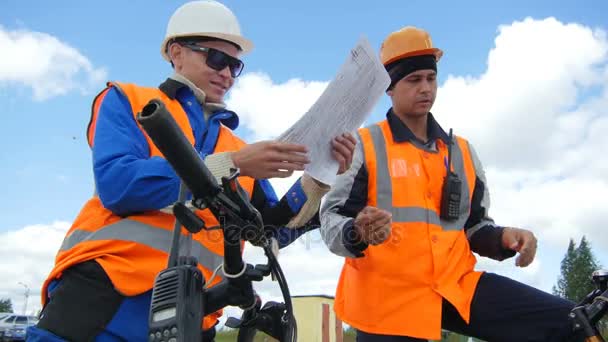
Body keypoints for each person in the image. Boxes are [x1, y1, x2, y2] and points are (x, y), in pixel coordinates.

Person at [27, 1, 356, 341]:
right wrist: (232, 164)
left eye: (235, 65)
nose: (227, 73)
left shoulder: (236, 146)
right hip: (103, 301)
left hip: (192, 315)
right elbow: (118, 185)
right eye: (216, 59)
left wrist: (319, 178)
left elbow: (274, 230)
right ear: (176, 52)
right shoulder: (131, 101)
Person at [320, 26, 583, 342]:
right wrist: (356, 231)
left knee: (571, 321)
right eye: (413, 80)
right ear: (389, 88)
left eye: (431, 79)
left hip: (454, 284)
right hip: (386, 300)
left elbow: (472, 228)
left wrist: (503, 238)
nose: (425, 88)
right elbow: (330, 219)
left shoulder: (462, 152)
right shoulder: (363, 145)